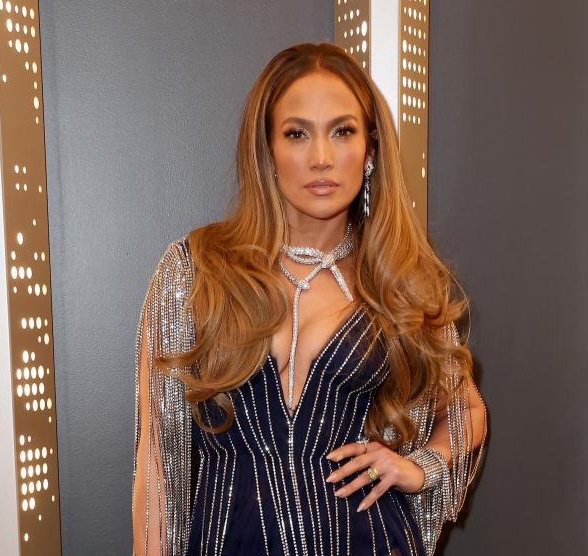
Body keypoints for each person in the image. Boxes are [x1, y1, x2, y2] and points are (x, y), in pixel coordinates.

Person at [132, 42, 488, 556]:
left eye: (342, 131)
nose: (321, 157)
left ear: (369, 152)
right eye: (297, 133)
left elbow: (466, 409)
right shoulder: (197, 270)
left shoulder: (397, 281)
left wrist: (420, 467)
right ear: (268, 151)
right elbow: (155, 463)